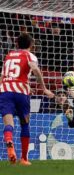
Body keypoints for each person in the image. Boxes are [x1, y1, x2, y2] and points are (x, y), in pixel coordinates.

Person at [0, 33, 55, 165]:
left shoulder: (9, 55)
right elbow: (35, 69)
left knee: (9, 124)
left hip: (5, 91)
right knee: (25, 124)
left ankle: (9, 141)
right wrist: (44, 88)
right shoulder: (29, 55)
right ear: (31, 45)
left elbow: (3, 76)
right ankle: (24, 158)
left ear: (17, 44)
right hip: (21, 94)